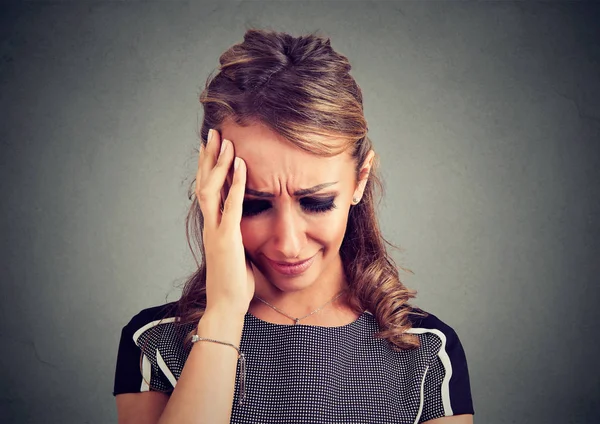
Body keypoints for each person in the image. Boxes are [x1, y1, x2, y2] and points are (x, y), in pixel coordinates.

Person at [113, 28, 475, 424]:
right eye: (253, 204)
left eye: (316, 203)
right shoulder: (155, 341)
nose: (287, 243)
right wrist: (224, 316)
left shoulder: (424, 350)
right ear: (212, 188)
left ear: (360, 180)